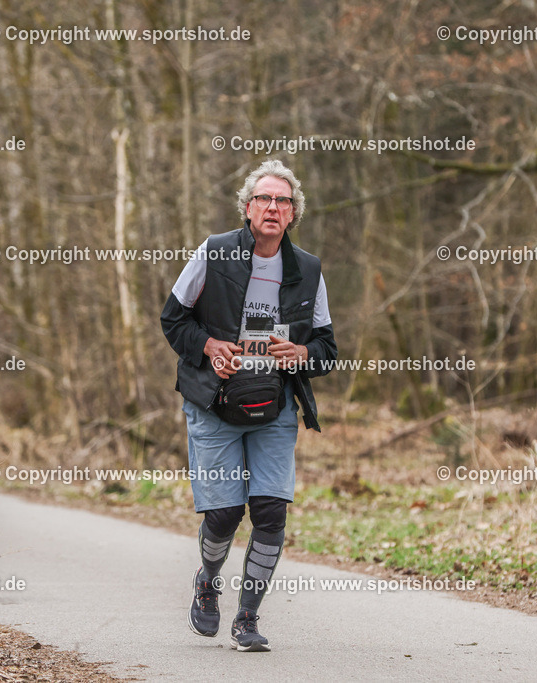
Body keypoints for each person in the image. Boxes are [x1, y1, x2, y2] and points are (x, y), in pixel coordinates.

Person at [161, 160, 336, 652]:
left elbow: (327, 347)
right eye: (265, 199)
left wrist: (302, 354)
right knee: (223, 513)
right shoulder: (214, 254)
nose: (273, 208)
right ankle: (207, 580)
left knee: (271, 510)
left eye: (283, 201)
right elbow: (173, 320)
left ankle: (248, 618)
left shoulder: (309, 270)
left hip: (273, 406)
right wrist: (209, 346)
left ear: (294, 212)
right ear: (248, 207)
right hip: (214, 404)